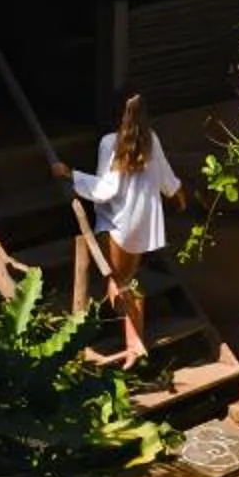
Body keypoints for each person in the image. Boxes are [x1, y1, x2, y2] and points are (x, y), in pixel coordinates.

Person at [54, 90, 183, 367]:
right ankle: (133, 343)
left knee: (117, 284)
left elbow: (104, 191)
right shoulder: (152, 139)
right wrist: (179, 194)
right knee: (126, 280)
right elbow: (167, 181)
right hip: (142, 225)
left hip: (118, 225)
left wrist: (70, 174)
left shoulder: (110, 143)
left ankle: (134, 344)